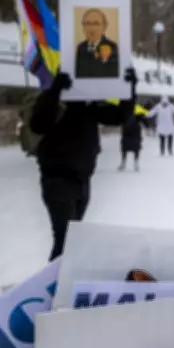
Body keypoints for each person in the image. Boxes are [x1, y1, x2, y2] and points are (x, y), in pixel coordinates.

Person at [30, 68, 136, 260]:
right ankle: (56, 286)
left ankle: (64, 283)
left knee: (73, 241)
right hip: (58, 180)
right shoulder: (54, 98)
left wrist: (129, 89)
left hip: (82, 180)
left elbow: (120, 116)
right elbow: (38, 124)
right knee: (66, 241)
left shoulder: (88, 106)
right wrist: (56, 90)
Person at [74, 8, 120, 79]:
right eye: (88, 23)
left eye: (96, 23)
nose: (91, 28)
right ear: (83, 26)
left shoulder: (113, 47)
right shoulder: (81, 47)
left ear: (104, 26)